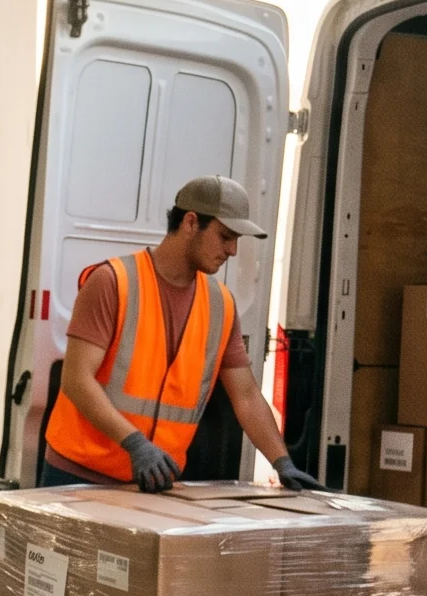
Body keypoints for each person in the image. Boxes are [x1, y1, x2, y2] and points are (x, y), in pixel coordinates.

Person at [39, 175, 320, 492]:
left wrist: (282, 462)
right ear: (190, 222)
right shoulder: (113, 282)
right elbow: (77, 380)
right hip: (77, 475)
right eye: (225, 236)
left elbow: (246, 396)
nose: (233, 250)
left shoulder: (221, 305)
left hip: (152, 481)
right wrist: (135, 443)